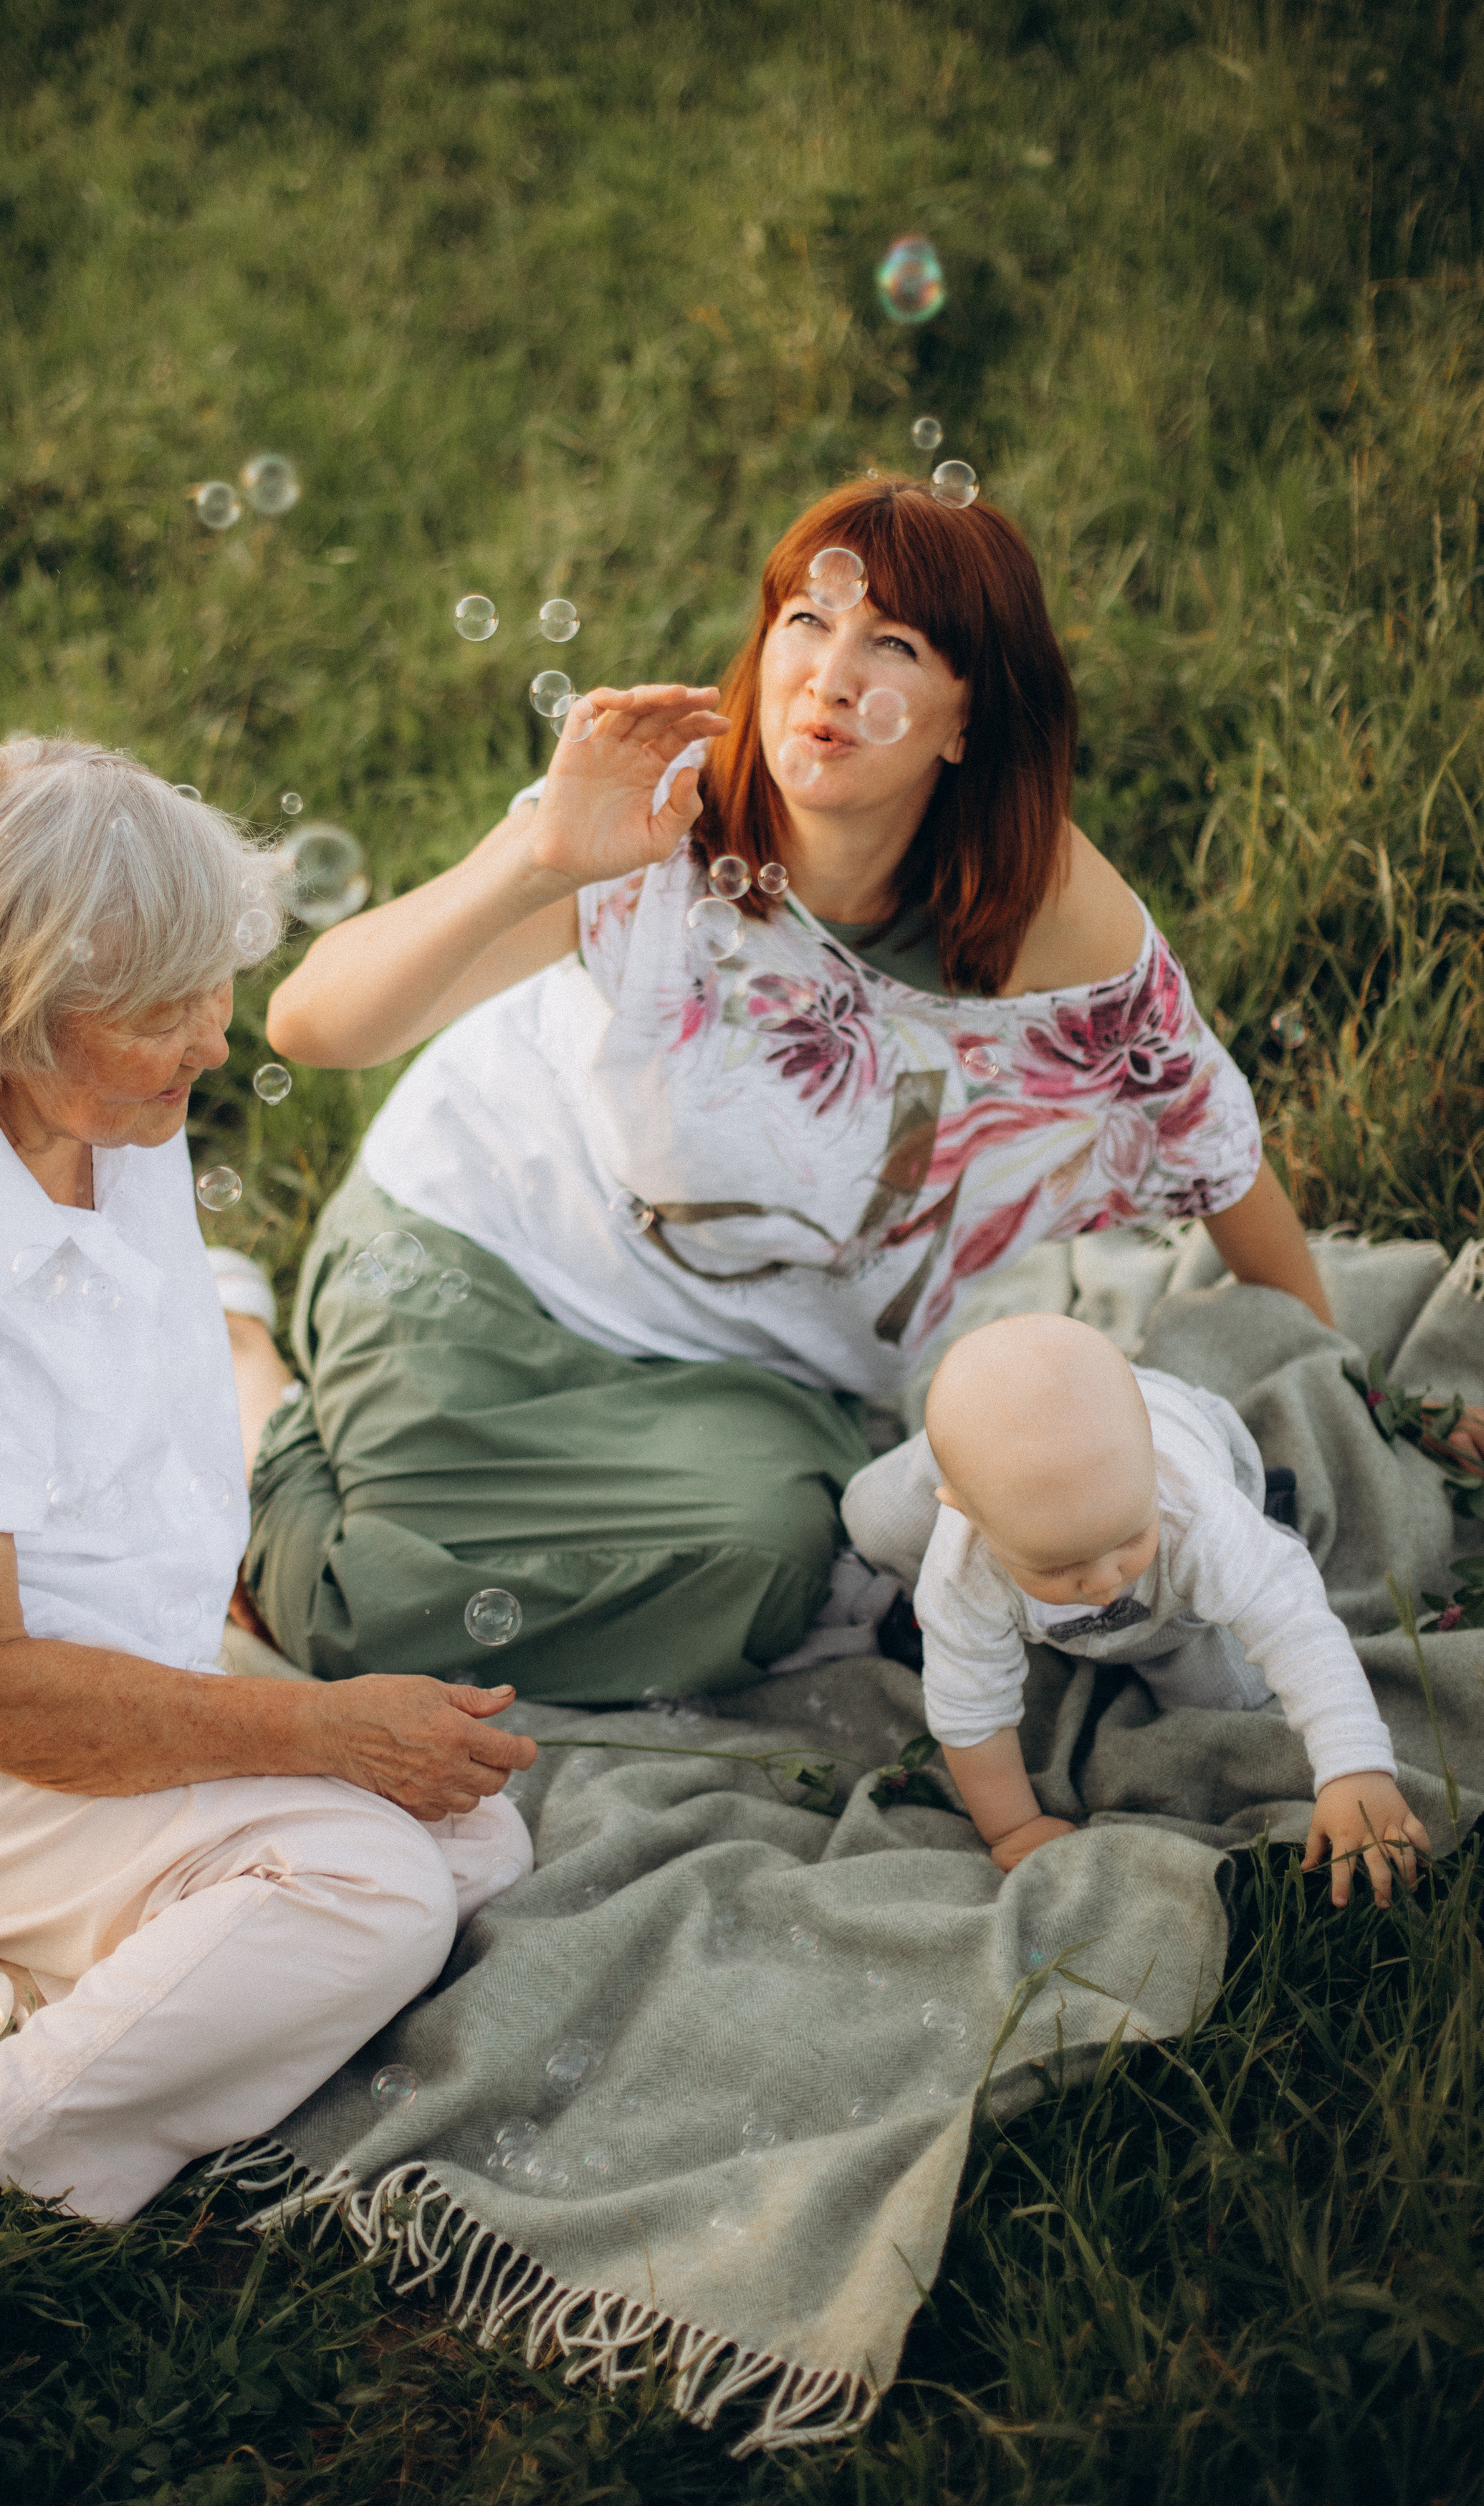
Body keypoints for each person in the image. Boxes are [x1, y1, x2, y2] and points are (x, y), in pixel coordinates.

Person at [0, 739, 535, 2472]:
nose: (217, 1035)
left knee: (469, 1837)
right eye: (164, 1006)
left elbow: (111, 1348)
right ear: (11, 1010)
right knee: (364, 1889)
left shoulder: (92, 1094)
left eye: (217, 979)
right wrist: (305, 1722)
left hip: (59, 1634)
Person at [243, 475, 1335, 1702]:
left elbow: (1206, 1135)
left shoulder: (1053, 927)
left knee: (769, 1561)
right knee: (366, 1612)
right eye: (805, 624)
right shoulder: (657, 825)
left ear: (964, 720)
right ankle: (244, 1372)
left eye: (894, 644)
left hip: (739, 1372)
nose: (829, 673)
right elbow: (311, 1022)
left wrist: (1340, 1389)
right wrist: (536, 855)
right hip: (480, 1260)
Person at [841, 1313, 1429, 1904]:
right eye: (1056, 1566)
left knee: (1232, 1698)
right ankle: (962, 1443)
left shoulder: (1196, 1517)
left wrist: (1354, 1768)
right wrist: (1013, 1826)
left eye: (1127, 1539)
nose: (1103, 1584)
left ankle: (1255, 1526)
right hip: (1000, 1473)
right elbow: (970, 1715)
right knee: (873, 1515)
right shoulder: (961, 1567)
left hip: (1173, 1491)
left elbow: (1298, 1631)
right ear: (964, 1512)